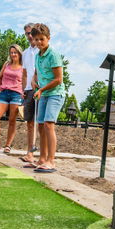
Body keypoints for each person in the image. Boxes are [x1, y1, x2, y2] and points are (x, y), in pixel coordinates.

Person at [30, 24, 65, 172]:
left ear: (48, 38)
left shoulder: (53, 55)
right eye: (36, 39)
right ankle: (42, 159)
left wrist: (42, 89)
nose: (39, 42)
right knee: (41, 126)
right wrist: (33, 80)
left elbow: (59, 79)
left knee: (49, 124)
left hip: (55, 94)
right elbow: (37, 72)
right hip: (44, 94)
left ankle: (51, 161)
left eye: (42, 39)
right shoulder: (38, 55)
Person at [20, 23, 39, 164]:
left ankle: (42, 155)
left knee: (42, 123)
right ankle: (30, 153)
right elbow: (24, 73)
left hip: (40, 88)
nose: (30, 35)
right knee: (30, 123)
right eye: (27, 33)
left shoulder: (41, 50)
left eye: (31, 32)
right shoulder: (25, 53)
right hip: (28, 90)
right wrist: (23, 89)